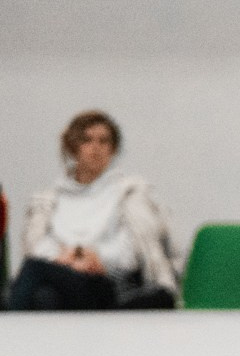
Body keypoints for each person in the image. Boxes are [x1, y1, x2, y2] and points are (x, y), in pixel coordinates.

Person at [8, 110, 177, 312]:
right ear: (73, 147)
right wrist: (70, 257)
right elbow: (37, 245)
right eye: (87, 140)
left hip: (108, 283)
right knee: (44, 298)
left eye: (104, 141)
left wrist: (95, 257)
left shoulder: (128, 194)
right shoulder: (50, 200)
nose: (96, 147)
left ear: (113, 149)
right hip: (62, 278)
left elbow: (131, 251)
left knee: (34, 269)